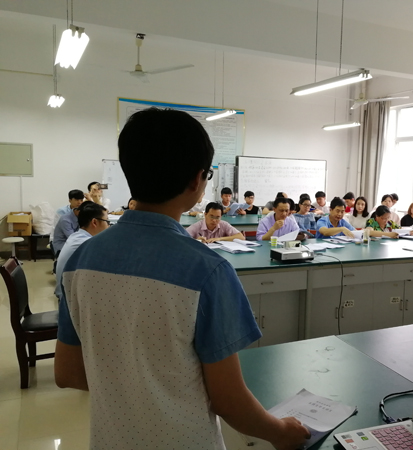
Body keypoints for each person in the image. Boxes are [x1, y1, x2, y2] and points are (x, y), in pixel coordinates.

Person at [54, 108, 309, 450]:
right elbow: (228, 400)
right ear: (197, 180)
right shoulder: (207, 270)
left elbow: (67, 373)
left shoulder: (81, 260)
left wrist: (130, 386)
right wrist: (281, 432)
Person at [54, 202, 110, 298]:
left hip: (67, 292)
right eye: (107, 222)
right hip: (68, 299)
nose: (109, 226)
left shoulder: (77, 236)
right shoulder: (86, 243)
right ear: (94, 222)